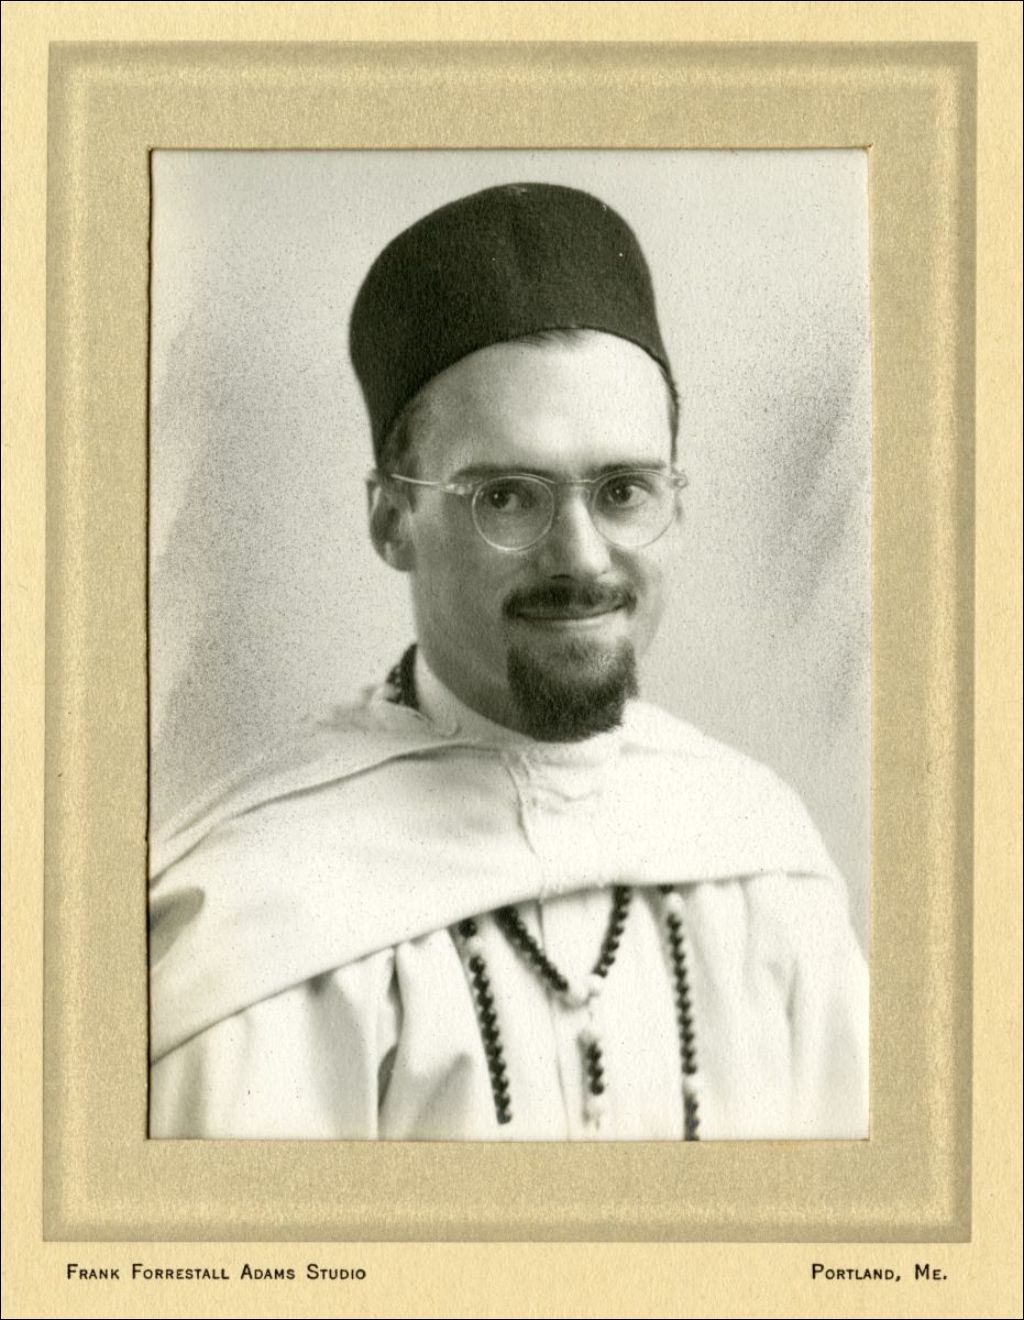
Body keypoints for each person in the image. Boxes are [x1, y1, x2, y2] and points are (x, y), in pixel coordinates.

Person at [149, 182, 868, 1141]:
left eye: (623, 490)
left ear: (677, 506)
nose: (581, 558)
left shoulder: (764, 863)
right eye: (507, 497)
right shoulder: (253, 930)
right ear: (392, 520)